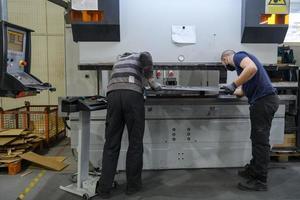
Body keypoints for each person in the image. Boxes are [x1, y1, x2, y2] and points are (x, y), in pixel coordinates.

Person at [96, 52, 161, 198]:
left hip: (112, 95)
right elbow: (146, 57)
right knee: (135, 144)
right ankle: (133, 187)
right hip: (131, 95)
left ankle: (104, 189)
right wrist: (152, 81)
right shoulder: (139, 55)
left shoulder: (118, 60)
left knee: (111, 144)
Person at [221, 50, 279, 191]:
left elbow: (252, 68)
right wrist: (225, 89)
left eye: (223, 63)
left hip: (263, 101)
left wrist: (233, 84)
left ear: (225, 59)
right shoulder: (243, 73)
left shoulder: (238, 56)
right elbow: (242, 92)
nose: (225, 66)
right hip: (263, 102)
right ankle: (254, 170)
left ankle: (260, 180)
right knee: (256, 138)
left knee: (260, 142)